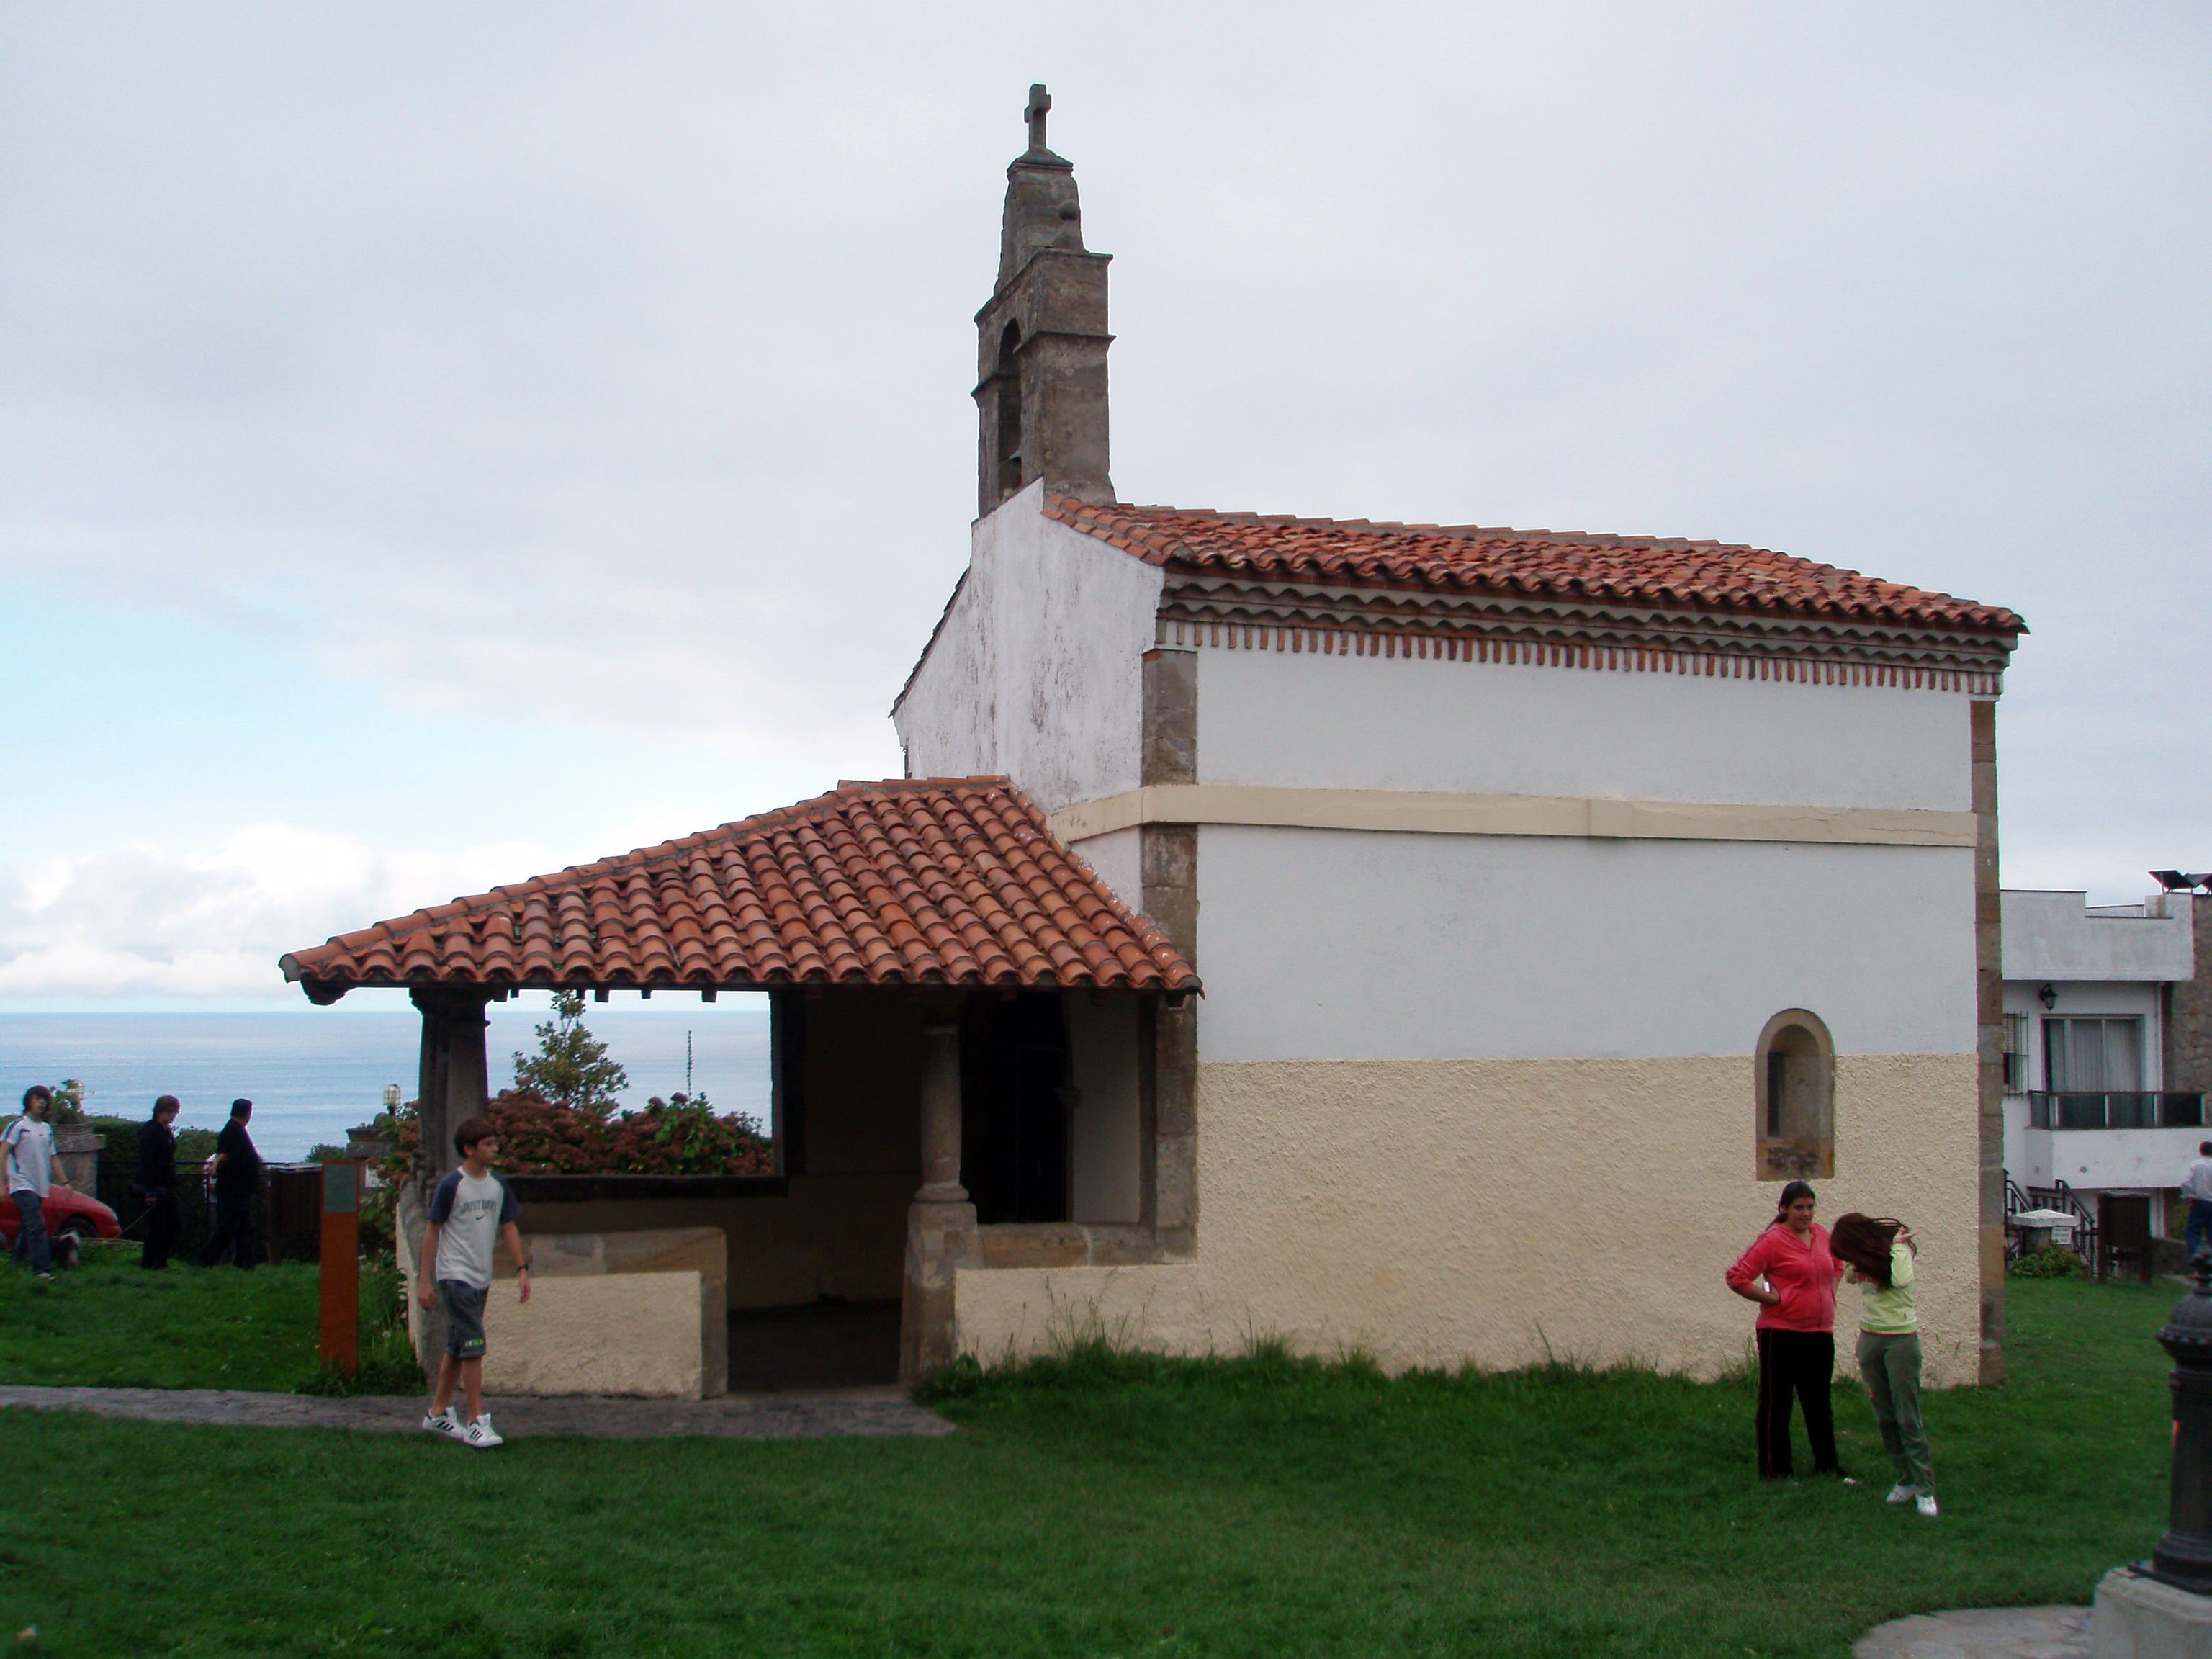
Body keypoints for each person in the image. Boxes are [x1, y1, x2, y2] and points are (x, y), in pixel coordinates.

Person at [418, 1116, 531, 1449]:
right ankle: (476, 1421)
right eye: (488, 1144)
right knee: (473, 1345)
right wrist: (424, 1280)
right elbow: (431, 1231)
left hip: (482, 1278)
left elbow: (508, 1226)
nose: (495, 1148)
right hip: (455, 1276)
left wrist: (521, 1269)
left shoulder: (498, 1186)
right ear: (469, 1149)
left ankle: (438, 1412)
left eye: (496, 1142)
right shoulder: (451, 1185)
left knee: (458, 1345)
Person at [1725, 1179, 1850, 1480]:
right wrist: (1772, 1299)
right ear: (1784, 1209)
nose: (1806, 1214)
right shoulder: (1772, 1240)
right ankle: (1775, 1471)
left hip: (1819, 1333)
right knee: (1777, 1404)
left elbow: (1837, 1265)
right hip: (1780, 1333)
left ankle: (1828, 1467)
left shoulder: (1821, 1235)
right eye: (1799, 1208)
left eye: (1810, 1207)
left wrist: (1829, 1292)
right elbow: (1737, 1277)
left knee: (1819, 1403)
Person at [1831, 1211, 1938, 1519]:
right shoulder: (1864, 1260)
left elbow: (1901, 1279)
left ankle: (1925, 1487)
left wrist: (1893, 1246)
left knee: (1907, 1416)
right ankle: (1905, 1479)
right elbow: (1851, 1278)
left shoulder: (1899, 1251)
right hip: (1870, 1339)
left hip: (1901, 1341)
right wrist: (1858, 1260)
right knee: (1885, 1415)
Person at [4, 1085, 70, 1281]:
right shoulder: (18, 1125)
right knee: (37, 1225)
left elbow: (53, 1158)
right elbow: (4, 1151)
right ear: (28, 1101)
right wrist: (2, 1182)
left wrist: (65, 1182)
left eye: (44, 1099)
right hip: (21, 1184)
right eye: (37, 1098)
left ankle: (15, 1264)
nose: (41, 1102)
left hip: (39, 1185)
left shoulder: (46, 1129)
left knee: (28, 1226)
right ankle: (42, 1269)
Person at [195, 1098, 263, 1269]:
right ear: (248, 1113)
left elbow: (221, 1153)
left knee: (244, 1227)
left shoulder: (232, 1129)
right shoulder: (234, 1131)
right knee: (228, 1226)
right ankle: (205, 1261)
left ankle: (245, 1262)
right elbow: (224, 1155)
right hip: (235, 1188)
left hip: (240, 1188)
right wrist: (216, 1169)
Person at [133, 1096, 184, 1270]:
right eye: (169, 1112)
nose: (172, 1116)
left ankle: (160, 1260)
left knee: (171, 1225)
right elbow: (149, 1163)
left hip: (167, 1185)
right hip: (154, 1187)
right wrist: (150, 1192)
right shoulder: (151, 1132)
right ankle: (151, 1262)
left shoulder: (165, 1131)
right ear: (159, 1111)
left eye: (174, 1112)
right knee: (157, 1227)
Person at [2182, 1142, 2212, 1262]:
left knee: (2193, 1231)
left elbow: (2185, 1183)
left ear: (2201, 1151)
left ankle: (2196, 1254)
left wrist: (2191, 1196)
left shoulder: (2196, 1165)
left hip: (2201, 1202)